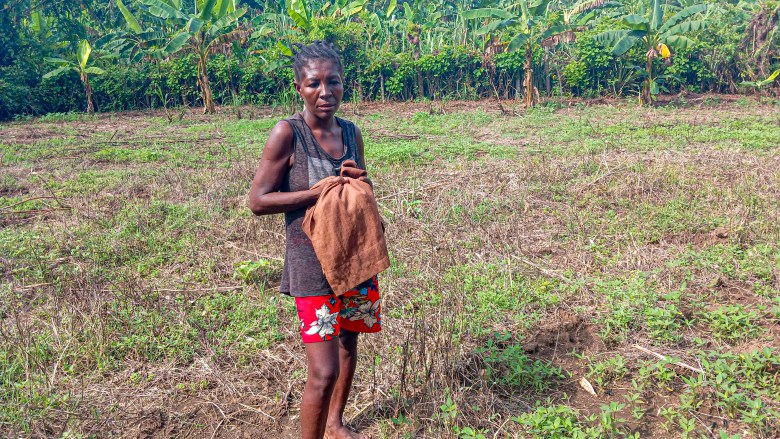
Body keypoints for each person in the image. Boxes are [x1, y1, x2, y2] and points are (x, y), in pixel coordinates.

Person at [248, 41, 381, 439]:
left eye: (333, 82)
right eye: (314, 84)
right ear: (298, 87)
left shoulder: (351, 133)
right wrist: (317, 191)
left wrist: (360, 184)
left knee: (347, 347)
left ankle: (336, 423)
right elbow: (258, 201)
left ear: (344, 85)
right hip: (311, 264)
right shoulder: (288, 134)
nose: (325, 92)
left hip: (355, 257)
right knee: (323, 371)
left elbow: (360, 183)